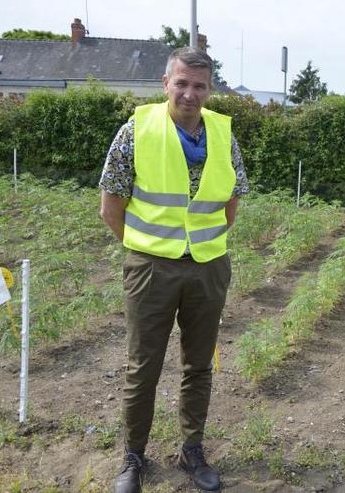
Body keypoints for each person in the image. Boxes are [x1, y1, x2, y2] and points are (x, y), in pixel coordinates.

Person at [99, 46, 249, 493]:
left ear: (210, 89)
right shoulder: (136, 130)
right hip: (151, 269)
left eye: (199, 85)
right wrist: (146, 250)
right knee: (142, 366)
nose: (189, 93)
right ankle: (132, 459)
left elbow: (230, 201)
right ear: (166, 83)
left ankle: (192, 451)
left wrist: (199, 246)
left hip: (207, 268)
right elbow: (111, 206)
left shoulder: (223, 134)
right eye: (181, 83)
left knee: (198, 366)